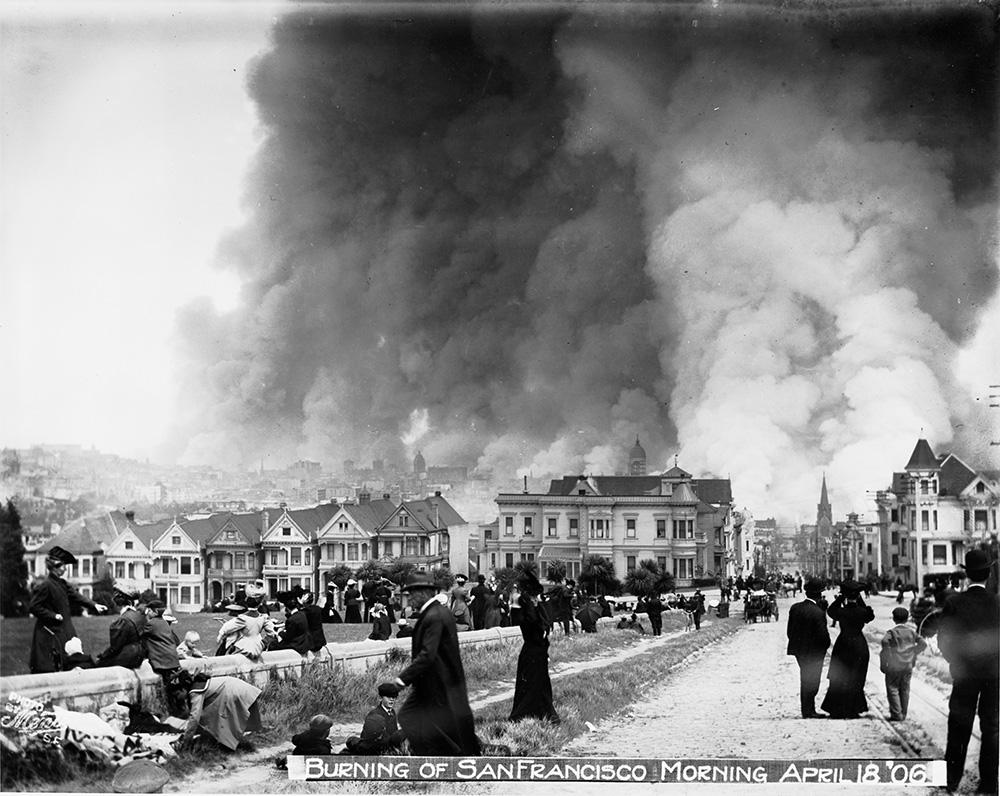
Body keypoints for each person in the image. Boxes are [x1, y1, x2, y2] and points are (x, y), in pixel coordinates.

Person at [391, 573, 480, 756]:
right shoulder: (438, 612)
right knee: (430, 721)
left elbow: (427, 654)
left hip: (436, 681)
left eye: (413, 593)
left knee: (410, 717)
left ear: (425, 593)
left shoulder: (434, 616)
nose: (411, 598)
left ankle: (438, 757)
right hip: (438, 681)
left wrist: (401, 680)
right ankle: (444, 755)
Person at [937, 549, 999, 794]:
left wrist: (956, 662)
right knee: (992, 729)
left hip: (964, 674)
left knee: (959, 726)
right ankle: (989, 785)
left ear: (967, 574)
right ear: (988, 573)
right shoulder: (997, 603)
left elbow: (944, 640)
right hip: (994, 676)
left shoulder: (954, 602)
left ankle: (951, 779)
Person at [28, 546, 107, 673]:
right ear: (55, 567)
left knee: (69, 660)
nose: (65, 568)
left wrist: (94, 605)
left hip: (64, 628)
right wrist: (52, 616)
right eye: (62, 565)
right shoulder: (46, 586)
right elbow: (34, 607)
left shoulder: (62, 584)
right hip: (49, 632)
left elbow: (77, 597)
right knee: (50, 666)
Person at [174, 665, 263, 751]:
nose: (178, 698)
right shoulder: (200, 683)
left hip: (233, 692)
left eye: (178, 694)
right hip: (237, 687)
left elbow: (194, 717)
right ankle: (230, 745)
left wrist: (186, 742)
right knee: (220, 717)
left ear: (183, 689)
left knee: (224, 719)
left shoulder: (195, 692)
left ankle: (227, 747)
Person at [509, 571, 559, 724]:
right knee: (532, 685)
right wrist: (516, 603)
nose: (537, 598)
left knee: (539, 685)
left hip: (538, 652)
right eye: (535, 596)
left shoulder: (536, 609)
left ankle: (541, 714)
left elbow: (542, 627)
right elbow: (519, 622)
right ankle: (528, 714)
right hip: (532, 652)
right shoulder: (527, 610)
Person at [821, 580, 875, 719]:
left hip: (843, 643)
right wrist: (859, 598)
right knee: (857, 676)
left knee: (840, 675)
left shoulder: (842, 611)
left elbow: (831, 611)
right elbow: (870, 615)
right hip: (858, 644)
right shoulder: (862, 612)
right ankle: (854, 708)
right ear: (857, 597)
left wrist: (841, 597)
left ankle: (837, 708)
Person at [786, 578, 831, 719]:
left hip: (799, 651)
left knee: (805, 678)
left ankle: (807, 709)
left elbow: (789, 631)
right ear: (818, 595)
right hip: (815, 653)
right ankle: (809, 710)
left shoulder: (795, 608)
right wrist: (824, 648)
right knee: (813, 681)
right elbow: (823, 636)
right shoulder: (818, 612)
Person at [880, 607, 926, 722]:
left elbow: (885, 642)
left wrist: (888, 654)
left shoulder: (892, 632)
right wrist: (913, 651)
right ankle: (903, 714)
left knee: (893, 688)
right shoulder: (911, 632)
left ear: (894, 619)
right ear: (907, 619)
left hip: (894, 665)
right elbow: (923, 643)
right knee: (905, 689)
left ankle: (896, 714)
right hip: (907, 665)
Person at [345, 683, 406, 754]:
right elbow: (368, 739)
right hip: (377, 749)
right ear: (381, 698)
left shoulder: (392, 712)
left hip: (389, 747)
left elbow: (394, 731)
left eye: (394, 697)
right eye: (388, 697)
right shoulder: (374, 715)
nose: (391, 700)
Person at [96, 589, 148, 669]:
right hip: (140, 654)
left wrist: (103, 656)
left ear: (117, 604)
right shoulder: (139, 616)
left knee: (99, 664)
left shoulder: (123, 620)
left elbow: (115, 648)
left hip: (129, 656)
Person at [275, 590, 311, 655]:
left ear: (287, 608)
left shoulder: (292, 620)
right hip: (304, 642)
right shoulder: (302, 614)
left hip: (296, 645)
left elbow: (288, 636)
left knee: (273, 644)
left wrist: (280, 632)